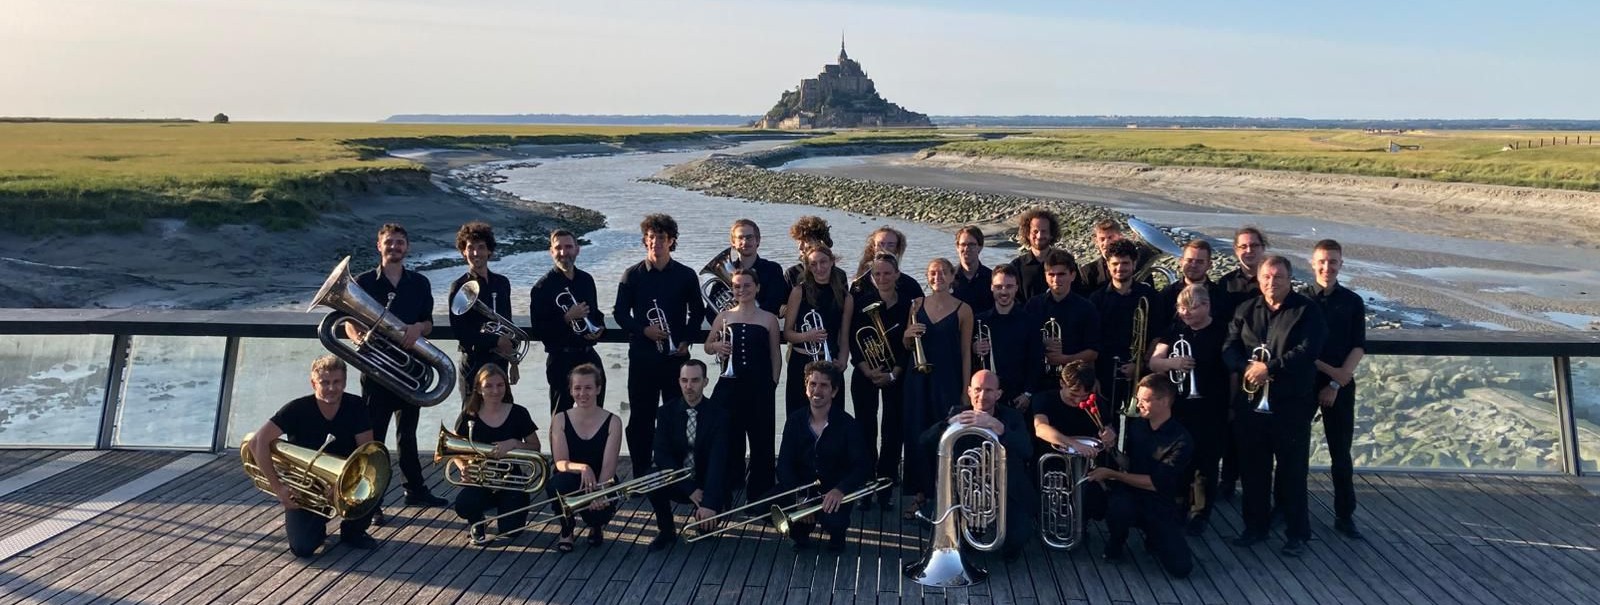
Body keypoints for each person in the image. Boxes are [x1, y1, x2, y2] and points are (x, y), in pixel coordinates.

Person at [1224, 255, 1325, 557]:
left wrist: (1271, 368)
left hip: (1290, 405)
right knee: (1253, 470)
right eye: (1266, 277)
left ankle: (1297, 533)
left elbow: (1309, 350)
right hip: (1251, 403)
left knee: (1292, 472)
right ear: (1258, 278)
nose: (1271, 282)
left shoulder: (1307, 310)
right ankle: (1255, 527)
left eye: (1278, 277)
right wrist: (1246, 368)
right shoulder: (1246, 309)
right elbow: (1228, 347)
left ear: (1289, 279)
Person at [346, 223, 447, 518]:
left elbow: (428, 322)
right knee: (374, 437)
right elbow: (349, 321)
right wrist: (357, 337)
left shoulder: (419, 283)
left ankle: (414, 490)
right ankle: (371, 500)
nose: (394, 247)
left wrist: (418, 328)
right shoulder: (364, 283)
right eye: (389, 242)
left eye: (400, 242)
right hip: (377, 370)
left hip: (410, 369)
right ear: (379, 246)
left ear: (408, 247)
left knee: (408, 434)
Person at [252, 355, 377, 557]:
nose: (331, 388)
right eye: (324, 382)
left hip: (343, 481)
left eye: (337, 382)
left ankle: (353, 531)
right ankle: (317, 525)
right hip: (306, 488)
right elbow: (256, 442)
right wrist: (279, 489)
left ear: (344, 382)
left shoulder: (356, 406)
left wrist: (342, 486)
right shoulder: (296, 409)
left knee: (375, 478)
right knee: (303, 548)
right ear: (313, 383)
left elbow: (368, 453)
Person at [613, 214, 704, 476]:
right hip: (643, 358)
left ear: (671, 241)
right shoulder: (632, 275)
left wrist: (686, 339)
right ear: (645, 241)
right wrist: (645, 330)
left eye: (661, 238)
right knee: (641, 418)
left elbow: (696, 313)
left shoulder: (686, 275)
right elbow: (620, 314)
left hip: (675, 359)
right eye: (651, 238)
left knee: (677, 415)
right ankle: (641, 470)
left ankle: (674, 469)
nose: (656, 243)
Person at [918, 369, 1034, 561]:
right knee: (928, 519)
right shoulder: (958, 412)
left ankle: (1000, 540)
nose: (982, 396)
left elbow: (1027, 450)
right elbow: (924, 442)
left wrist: (1000, 428)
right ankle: (969, 538)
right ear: (969, 391)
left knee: (1018, 536)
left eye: (989, 391)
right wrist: (947, 425)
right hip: (966, 496)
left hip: (1006, 493)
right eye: (978, 389)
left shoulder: (1012, 417)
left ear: (998, 394)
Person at [1087, 376, 1195, 578]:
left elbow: (1155, 483)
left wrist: (1111, 474)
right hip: (1132, 495)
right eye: (1138, 399)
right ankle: (1117, 540)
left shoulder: (1181, 440)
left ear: (1163, 401)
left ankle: (1153, 537)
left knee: (1181, 568)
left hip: (1160, 501)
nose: (1138, 404)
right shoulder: (1137, 426)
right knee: (1118, 506)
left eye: (1144, 400)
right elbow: (1131, 464)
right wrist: (1113, 453)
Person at [1147, 284, 1230, 535]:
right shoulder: (1175, 329)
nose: (1186, 313)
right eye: (1182, 308)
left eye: (1192, 308)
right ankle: (1179, 506)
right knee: (1179, 460)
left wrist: (1233, 405)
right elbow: (1154, 362)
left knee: (1206, 463)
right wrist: (1173, 362)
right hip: (1180, 406)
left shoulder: (1222, 331)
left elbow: (1233, 372)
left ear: (1206, 306)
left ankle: (1200, 515)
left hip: (1212, 406)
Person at [900, 258, 973, 518]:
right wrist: (907, 336)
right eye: (932, 273)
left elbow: (966, 353)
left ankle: (946, 495)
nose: (937, 276)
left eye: (943, 272)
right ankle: (919, 495)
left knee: (945, 435)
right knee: (917, 434)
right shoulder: (916, 305)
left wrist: (966, 389)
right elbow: (908, 346)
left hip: (949, 379)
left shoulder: (964, 310)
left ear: (953, 276)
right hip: (918, 379)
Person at [1306, 239, 1366, 540]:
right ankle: (1287, 508)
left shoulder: (1353, 301)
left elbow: (1358, 346)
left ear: (1341, 264)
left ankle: (1345, 515)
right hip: (1305, 383)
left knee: (1340, 454)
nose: (1327, 267)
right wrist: (1336, 374)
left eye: (1333, 262)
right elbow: (1300, 350)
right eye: (1322, 261)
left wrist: (1336, 382)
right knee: (1293, 450)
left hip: (1339, 386)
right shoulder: (1301, 299)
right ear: (1311, 263)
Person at [775, 362, 871, 552]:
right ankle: (800, 531)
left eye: (824, 385)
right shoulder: (794, 420)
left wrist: (840, 490)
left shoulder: (847, 425)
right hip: (803, 490)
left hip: (832, 493)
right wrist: (800, 498)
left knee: (835, 521)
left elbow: (862, 467)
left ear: (834, 391)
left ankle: (836, 534)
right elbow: (784, 464)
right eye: (812, 384)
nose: (817, 390)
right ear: (806, 387)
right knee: (766, 506)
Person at [705, 269, 783, 496]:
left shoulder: (769, 318)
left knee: (762, 439)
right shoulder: (724, 316)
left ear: (757, 287)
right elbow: (708, 345)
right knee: (729, 436)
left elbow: (775, 355)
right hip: (729, 385)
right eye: (737, 286)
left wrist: (773, 382)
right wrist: (717, 347)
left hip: (760, 386)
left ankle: (760, 491)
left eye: (747, 285)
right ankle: (730, 484)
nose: (742, 290)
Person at [848, 252, 911, 509]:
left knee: (893, 432)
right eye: (877, 274)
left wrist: (894, 372)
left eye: (887, 273)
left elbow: (909, 346)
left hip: (897, 374)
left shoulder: (909, 305)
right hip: (866, 374)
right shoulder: (861, 302)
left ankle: (885, 486)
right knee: (865, 430)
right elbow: (854, 339)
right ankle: (865, 485)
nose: (882, 278)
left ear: (897, 274)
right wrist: (866, 370)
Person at [646, 360, 732, 551]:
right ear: (678, 381)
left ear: (705, 382)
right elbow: (661, 455)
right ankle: (666, 530)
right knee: (650, 478)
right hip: (678, 480)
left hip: (706, 480)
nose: (689, 386)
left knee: (706, 528)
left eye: (695, 380)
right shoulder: (665, 412)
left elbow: (718, 461)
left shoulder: (720, 415)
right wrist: (689, 488)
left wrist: (709, 501)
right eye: (684, 380)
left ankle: (708, 514)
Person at [451, 364, 541, 545]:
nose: (495, 390)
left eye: (500, 385)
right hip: (481, 479)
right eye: (489, 386)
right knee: (463, 505)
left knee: (511, 530)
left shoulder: (518, 413)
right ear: (478, 388)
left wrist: (514, 443)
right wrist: (464, 467)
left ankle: (507, 508)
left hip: (512, 481)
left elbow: (535, 447)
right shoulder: (469, 415)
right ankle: (477, 522)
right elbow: (454, 450)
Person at [547, 364, 623, 552]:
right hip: (573, 475)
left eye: (588, 388)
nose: (583, 393)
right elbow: (561, 462)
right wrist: (583, 468)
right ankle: (567, 528)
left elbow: (609, 466)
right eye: (577, 388)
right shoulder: (560, 419)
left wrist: (599, 492)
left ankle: (595, 526)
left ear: (598, 389)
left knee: (598, 513)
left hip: (601, 480)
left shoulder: (613, 421)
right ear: (571, 390)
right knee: (557, 485)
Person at [530, 229, 607, 414]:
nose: (564, 252)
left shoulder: (586, 280)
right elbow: (539, 330)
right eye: (558, 248)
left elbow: (595, 313)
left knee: (596, 413)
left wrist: (600, 327)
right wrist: (567, 317)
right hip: (560, 359)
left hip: (588, 354)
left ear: (577, 250)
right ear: (551, 251)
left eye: (568, 247)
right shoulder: (542, 287)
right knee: (560, 416)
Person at [1216, 226, 1268, 499]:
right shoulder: (1226, 284)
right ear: (1236, 250)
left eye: (1254, 246)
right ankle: (1227, 479)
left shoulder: (1272, 278)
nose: (1249, 251)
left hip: (1267, 364)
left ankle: (1255, 485)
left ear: (1263, 248)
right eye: (1243, 247)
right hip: (1236, 361)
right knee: (1232, 421)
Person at [1030, 360, 1116, 525]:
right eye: (1073, 394)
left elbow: (1107, 426)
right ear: (1062, 383)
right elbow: (1040, 428)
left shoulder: (1096, 402)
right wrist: (1073, 444)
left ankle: (1081, 524)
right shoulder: (1044, 399)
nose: (1078, 401)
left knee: (1098, 502)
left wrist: (1110, 434)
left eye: (1083, 396)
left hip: (1085, 468)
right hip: (1051, 464)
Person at [1089, 240, 1166, 419]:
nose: (1120, 268)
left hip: (1139, 374)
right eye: (1115, 263)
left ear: (1134, 264)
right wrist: (1093, 377)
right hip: (1104, 372)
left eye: (1125, 263)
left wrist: (1140, 364)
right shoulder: (1096, 299)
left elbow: (1157, 336)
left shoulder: (1150, 296)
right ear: (1108, 265)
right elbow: (1091, 339)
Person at [448, 221, 518, 403]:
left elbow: (508, 325)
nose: (476, 253)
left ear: (490, 251)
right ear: (464, 252)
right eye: (470, 248)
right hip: (474, 362)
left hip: (500, 361)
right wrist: (495, 340)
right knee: (472, 416)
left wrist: (514, 362)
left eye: (481, 248)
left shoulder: (502, 283)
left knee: (504, 415)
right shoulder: (460, 286)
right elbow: (461, 332)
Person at [783, 245, 852, 414]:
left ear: (832, 262)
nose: (819, 268)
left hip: (830, 364)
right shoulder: (799, 291)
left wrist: (842, 362)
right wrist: (807, 336)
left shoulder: (845, 297)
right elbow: (787, 333)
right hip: (801, 362)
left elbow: (844, 336)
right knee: (798, 416)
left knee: (833, 419)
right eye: (813, 264)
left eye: (823, 262)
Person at [1023, 249, 1100, 392]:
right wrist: (1043, 342)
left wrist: (1064, 359)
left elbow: (1093, 352)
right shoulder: (1033, 305)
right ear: (1045, 276)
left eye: (1061, 274)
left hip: (1074, 382)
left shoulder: (1086, 308)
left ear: (1072, 275)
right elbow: (1023, 342)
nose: (1056, 280)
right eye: (1051, 274)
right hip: (1039, 381)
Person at [973, 265, 1042, 410]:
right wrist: (973, 348)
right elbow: (967, 359)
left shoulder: (1029, 321)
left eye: (1009, 286)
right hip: (986, 397)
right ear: (991, 288)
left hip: (1018, 396)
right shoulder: (979, 321)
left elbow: (1036, 360)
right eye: (999, 287)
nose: (1004, 291)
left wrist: (1028, 393)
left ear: (1016, 288)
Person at [1157, 239, 1233, 325]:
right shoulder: (1167, 294)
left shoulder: (1221, 296)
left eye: (1200, 262)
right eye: (1189, 260)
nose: (1193, 265)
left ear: (1209, 265)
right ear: (1181, 262)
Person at [727, 219, 790, 316]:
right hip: (732, 328)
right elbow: (711, 313)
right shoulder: (725, 271)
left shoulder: (773, 270)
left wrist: (747, 315)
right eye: (740, 238)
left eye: (749, 237)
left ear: (758, 240)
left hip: (763, 328)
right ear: (733, 242)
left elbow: (775, 304)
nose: (745, 242)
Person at [1076, 219, 1158, 293]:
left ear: (1120, 237)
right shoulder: (1087, 271)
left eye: (1110, 237)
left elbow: (1149, 295)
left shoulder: (1138, 265)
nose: (1106, 243)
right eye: (1102, 239)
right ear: (1096, 241)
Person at [850, 226, 925, 302]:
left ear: (897, 249)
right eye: (880, 244)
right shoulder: (859, 285)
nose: (885, 248)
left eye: (891, 245)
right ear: (873, 247)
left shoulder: (910, 285)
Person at [1008, 207, 1060, 302]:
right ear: (1027, 234)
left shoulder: (1063, 263)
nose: (1039, 236)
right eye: (1035, 231)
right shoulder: (1016, 267)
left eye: (1044, 231)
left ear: (1051, 234)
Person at [783, 216, 842, 288]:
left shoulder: (840, 275)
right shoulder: (792, 274)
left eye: (805, 241)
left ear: (820, 242)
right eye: (798, 242)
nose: (800, 247)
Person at [951, 226, 994, 315]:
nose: (966, 249)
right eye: (963, 244)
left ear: (980, 247)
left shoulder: (992, 278)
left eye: (971, 244)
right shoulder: (948, 278)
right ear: (957, 247)